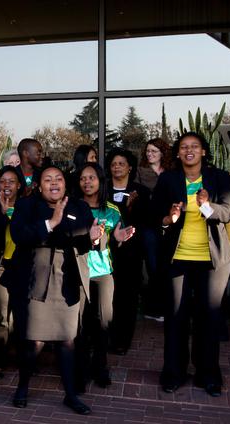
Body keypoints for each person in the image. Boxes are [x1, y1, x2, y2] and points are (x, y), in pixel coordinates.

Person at [10, 166, 98, 415]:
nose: (54, 183)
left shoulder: (79, 206)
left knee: (67, 339)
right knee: (34, 339)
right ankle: (22, 387)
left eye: (58, 179)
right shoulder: (27, 205)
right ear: (39, 185)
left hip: (68, 278)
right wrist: (51, 223)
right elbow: (19, 236)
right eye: (47, 180)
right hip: (36, 278)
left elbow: (85, 240)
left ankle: (70, 395)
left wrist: (95, 237)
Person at [154, 132, 230, 397]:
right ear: (177, 153)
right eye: (183, 147)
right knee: (176, 317)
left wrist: (207, 206)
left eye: (194, 147)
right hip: (178, 259)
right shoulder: (168, 179)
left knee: (208, 318)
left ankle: (208, 375)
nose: (189, 151)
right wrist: (169, 218)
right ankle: (174, 373)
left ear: (203, 152)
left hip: (212, 262)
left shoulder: (219, 177)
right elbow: (156, 215)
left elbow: (228, 213)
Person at [73, 162, 134, 391]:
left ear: (100, 180)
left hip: (103, 273)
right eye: (82, 178)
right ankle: (79, 371)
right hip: (78, 271)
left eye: (92, 178)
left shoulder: (111, 209)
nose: (87, 182)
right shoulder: (72, 207)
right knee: (77, 325)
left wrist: (119, 236)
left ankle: (100, 368)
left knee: (103, 322)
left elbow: (117, 234)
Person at [106, 148, 150, 355]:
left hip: (131, 253)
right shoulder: (103, 189)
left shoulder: (140, 191)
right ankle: (107, 335)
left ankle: (123, 339)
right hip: (106, 251)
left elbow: (145, 223)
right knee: (109, 297)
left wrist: (131, 209)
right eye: (114, 164)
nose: (117, 167)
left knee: (127, 297)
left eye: (121, 163)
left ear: (130, 167)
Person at [0, 166, 25, 380]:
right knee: (2, 315)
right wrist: (2, 213)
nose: (7, 185)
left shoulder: (28, 206)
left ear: (19, 185)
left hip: (23, 266)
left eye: (11, 181)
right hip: (2, 266)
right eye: (2, 181)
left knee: (21, 315)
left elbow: (25, 233)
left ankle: (22, 358)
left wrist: (10, 213)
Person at [135, 138, 173, 321]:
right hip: (149, 223)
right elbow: (136, 197)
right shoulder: (141, 172)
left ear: (162, 153)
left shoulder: (171, 172)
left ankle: (164, 306)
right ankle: (154, 307)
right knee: (153, 264)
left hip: (169, 223)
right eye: (148, 151)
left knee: (166, 264)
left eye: (154, 151)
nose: (149, 154)